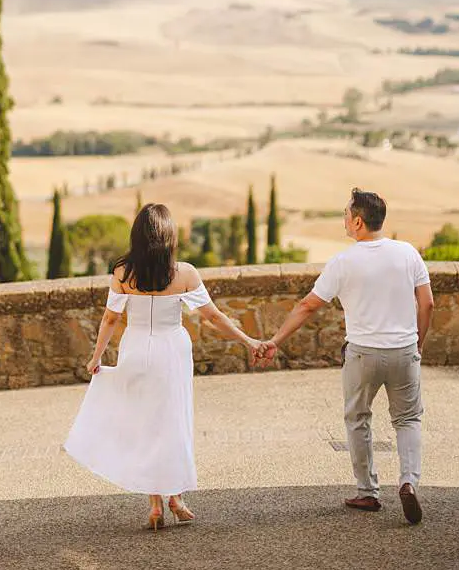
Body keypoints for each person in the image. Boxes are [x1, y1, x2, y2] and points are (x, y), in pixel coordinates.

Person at [63, 202, 265, 530]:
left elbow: (111, 318)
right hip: (172, 351)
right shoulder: (185, 273)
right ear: (169, 235)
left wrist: (96, 357)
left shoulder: (123, 273)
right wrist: (249, 341)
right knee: (172, 422)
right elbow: (213, 316)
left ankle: (155, 504)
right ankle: (176, 498)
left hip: (136, 348)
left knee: (146, 424)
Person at [255, 188, 434, 524]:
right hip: (404, 350)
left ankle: (368, 492)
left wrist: (276, 340)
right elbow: (427, 303)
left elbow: (308, 305)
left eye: (346, 214)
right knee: (408, 419)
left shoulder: (342, 262)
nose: (344, 220)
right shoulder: (408, 253)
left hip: (362, 355)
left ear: (358, 221)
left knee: (358, 419)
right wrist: (418, 344)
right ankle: (408, 481)